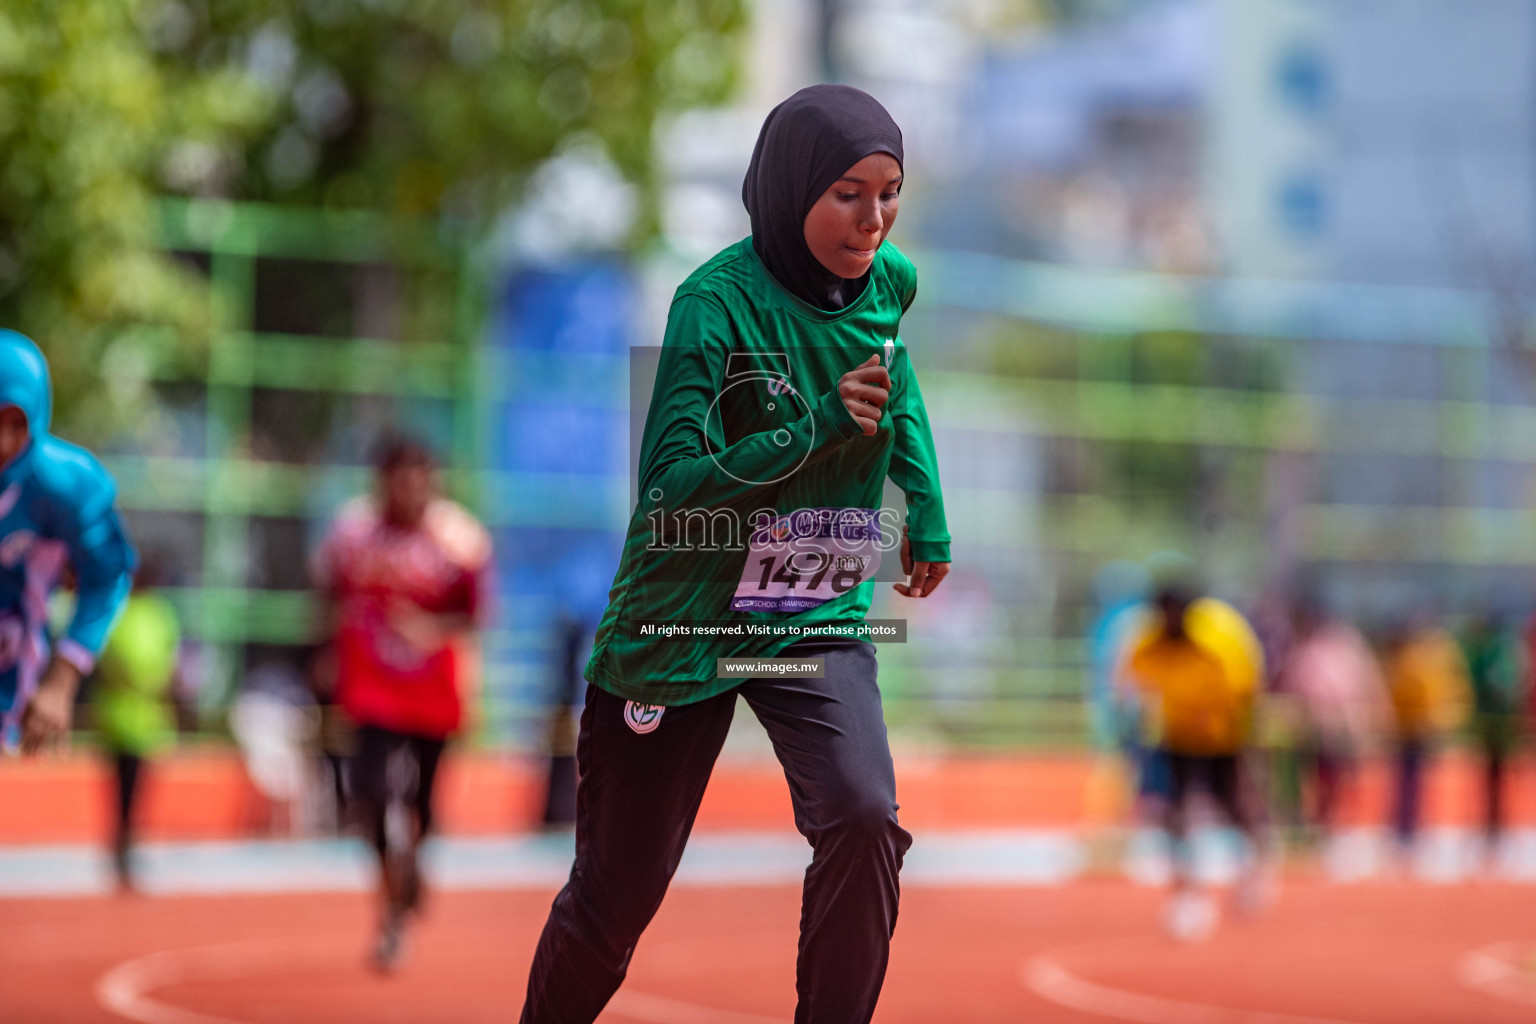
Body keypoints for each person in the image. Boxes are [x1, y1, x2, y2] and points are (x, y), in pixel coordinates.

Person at [518, 85, 950, 1024]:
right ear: (790, 186)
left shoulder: (889, 281)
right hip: (687, 613)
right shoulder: (710, 306)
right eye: (846, 192)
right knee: (613, 903)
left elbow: (895, 372)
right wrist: (815, 427)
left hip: (808, 598)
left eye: (889, 193)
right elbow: (669, 492)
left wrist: (924, 499)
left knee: (866, 816)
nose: (872, 220)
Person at [313, 435, 491, 971]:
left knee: (423, 803)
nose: (409, 489)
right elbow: (328, 595)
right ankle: (391, 908)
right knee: (369, 794)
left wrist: (431, 630)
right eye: (398, 477)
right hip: (370, 688)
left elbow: (475, 616)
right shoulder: (350, 532)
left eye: (420, 477)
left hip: (434, 690)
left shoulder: (460, 539)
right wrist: (323, 653)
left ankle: (414, 860)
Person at [0, 330, 136, 756]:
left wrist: (61, 682)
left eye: (13, 423)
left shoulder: (66, 485)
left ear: (26, 419)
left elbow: (107, 574)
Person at [1122, 579, 1266, 942]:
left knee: (1235, 804)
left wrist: (1229, 720)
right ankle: (1190, 891)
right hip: (1177, 736)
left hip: (1223, 736)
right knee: (1176, 810)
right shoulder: (1149, 643)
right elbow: (1131, 679)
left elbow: (1247, 685)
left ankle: (1253, 870)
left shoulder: (1216, 639)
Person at [92, 557, 181, 891]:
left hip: (147, 720)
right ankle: (120, 852)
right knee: (120, 791)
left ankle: (129, 850)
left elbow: (169, 660)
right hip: (118, 718)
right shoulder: (120, 611)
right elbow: (110, 657)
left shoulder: (161, 613)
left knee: (138, 791)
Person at [1282, 600, 1389, 841]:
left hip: (1343, 725)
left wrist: (1374, 716)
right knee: (1316, 779)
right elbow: (1298, 686)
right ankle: (1319, 824)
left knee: (1345, 778)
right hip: (1313, 728)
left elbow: (1366, 683)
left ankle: (1343, 825)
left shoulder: (1346, 647)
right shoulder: (1306, 649)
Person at [1384, 614, 1470, 856]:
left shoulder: (1432, 656)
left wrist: (1440, 720)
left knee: (1422, 783)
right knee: (1407, 782)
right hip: (1408, 729)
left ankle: (1419, 829)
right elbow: (1400, 694)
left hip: (1424, 728)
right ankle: (1405, 830)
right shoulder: (1409, 657)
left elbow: (1447, 693)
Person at [1460, 610, 1524, 858]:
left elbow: (1508, 688)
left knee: (1501, 782)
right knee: (1486, 781)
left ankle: (1499, 831)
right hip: (1490, 728)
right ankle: (1489, 830)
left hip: (1502, 728)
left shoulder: (1502, 654)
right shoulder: (1485, 653)